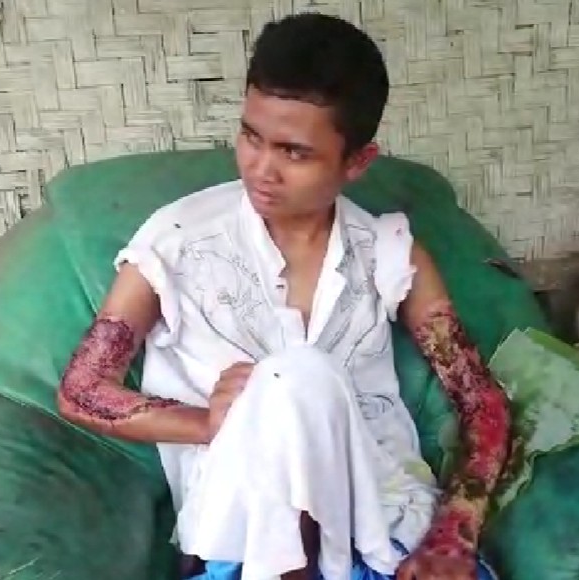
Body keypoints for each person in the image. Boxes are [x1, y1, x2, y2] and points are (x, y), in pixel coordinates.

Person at [56, 13, 510, 580]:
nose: (261, 169)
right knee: (292, 377)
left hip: (382, 521)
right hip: (242, 537)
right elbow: (81, 389)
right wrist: (208, 422)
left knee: (301, 375)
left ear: (357, 162)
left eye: (294, 153)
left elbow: (481, 401)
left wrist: (454, 532)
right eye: (251, 137)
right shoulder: (178, 240)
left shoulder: (386, 253)